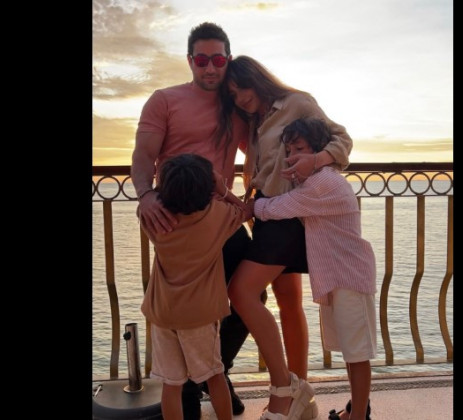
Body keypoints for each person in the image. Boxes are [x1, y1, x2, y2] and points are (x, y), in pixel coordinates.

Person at [131, 22, 265, 419]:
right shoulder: (164, 100)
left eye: (218, 60)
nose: (210, 68)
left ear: (228, 60)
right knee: (186, 303)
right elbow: (143, 154)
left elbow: (265, 146)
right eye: (202, 60)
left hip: (222, 218)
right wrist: (146, 195)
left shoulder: (237, 104)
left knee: (251, 298)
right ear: (190, 60)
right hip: (179, 219)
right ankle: (197, 385)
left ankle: (209, 374)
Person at [221, 56, 354, 419]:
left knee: (241, 292)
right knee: (288, 302)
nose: (240, 98)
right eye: (233, 94)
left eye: (242, 88)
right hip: (267, 213)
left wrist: (317, 160)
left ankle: (283, 390)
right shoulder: (255, 120)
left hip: (289, 216)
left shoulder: (297, 103)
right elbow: (263, 168)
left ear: (257, 79)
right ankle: (301, 396)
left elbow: (342, 139)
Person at [251, 118, 377, 420]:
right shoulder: (316, 181)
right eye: (289, 151)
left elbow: (278, 207)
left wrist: (249, 207)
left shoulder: (323, 184)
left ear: (318, 151)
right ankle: (356, 411)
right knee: (351, 351)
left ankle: (359, 416)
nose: (292, 157)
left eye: (300, 149)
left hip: (350, 278)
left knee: (357, 354)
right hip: (338, 278)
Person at [140, 153, 253, 420]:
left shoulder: (154, 219)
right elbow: (246, 210)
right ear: (207, 188)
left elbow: (148, 204)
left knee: (171, 384)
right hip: (200, 315)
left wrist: (156, 191)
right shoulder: (217, 216)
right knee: (214, 375)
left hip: (163, 313)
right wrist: (223, 189)